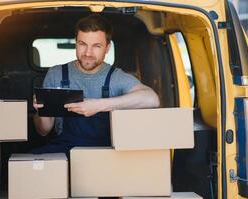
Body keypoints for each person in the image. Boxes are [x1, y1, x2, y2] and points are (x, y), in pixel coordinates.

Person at [32, 14, 160, 156]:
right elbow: (43, 131)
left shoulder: (116, 77)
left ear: (107, 47)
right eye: (83, 44)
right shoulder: (56, 74)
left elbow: (151, 99)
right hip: (65, 151)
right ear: (76, 42)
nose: (88, 53)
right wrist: (40, 111)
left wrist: (97, 105)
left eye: (96, 46)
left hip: (105, 155)